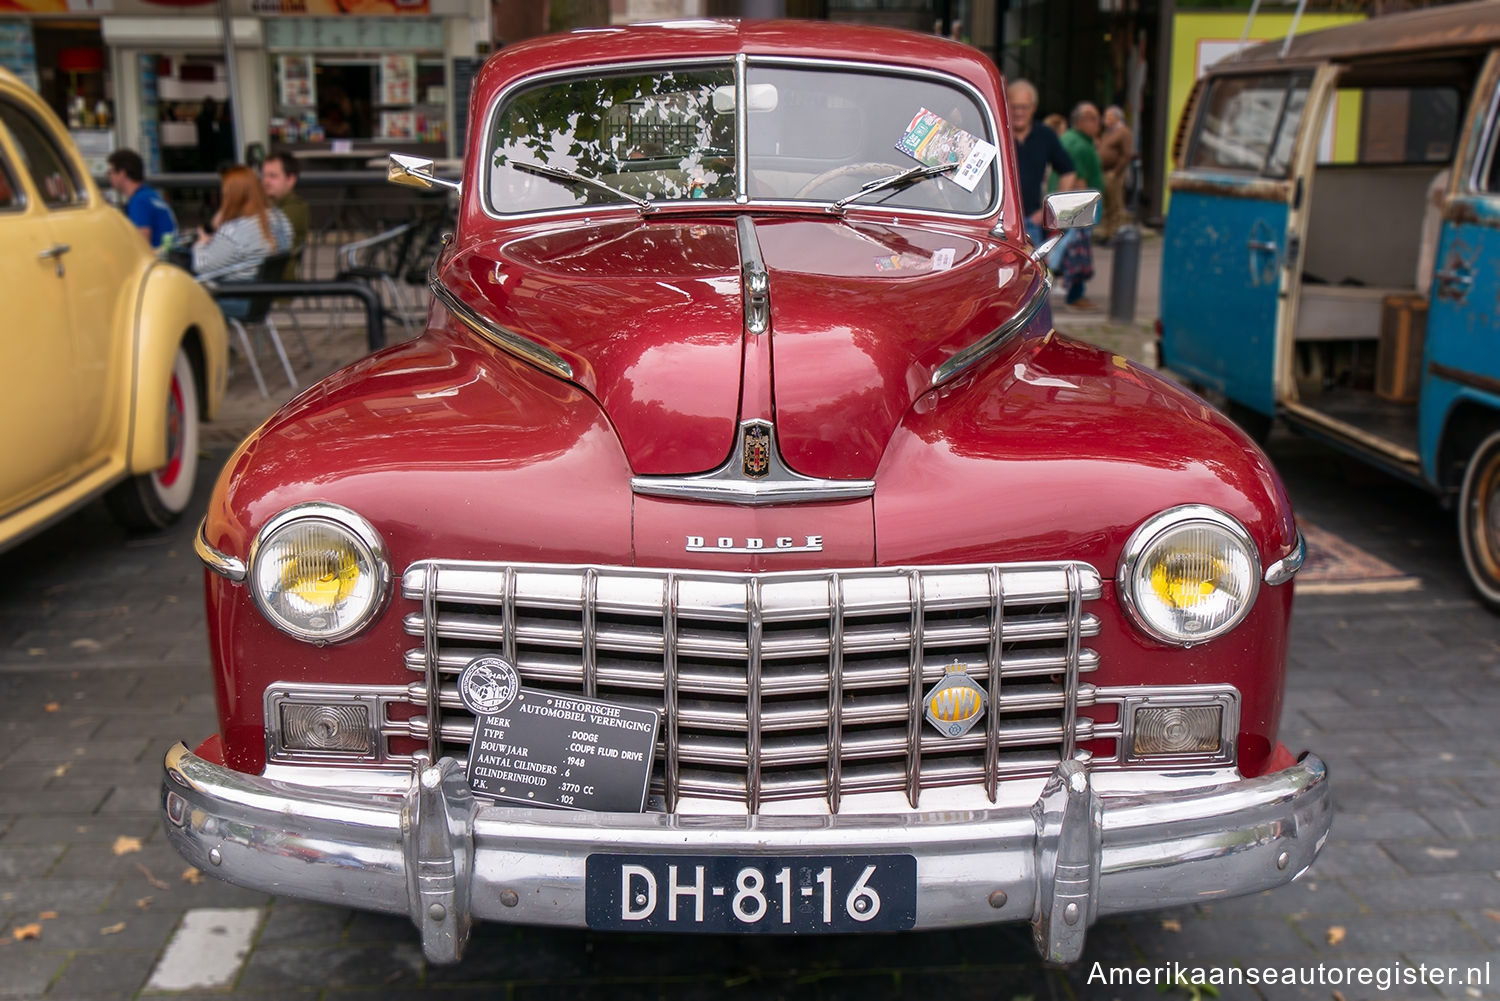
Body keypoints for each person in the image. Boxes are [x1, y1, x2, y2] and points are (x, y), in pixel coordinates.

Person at [192, 165, 293, 317]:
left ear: (231, 196)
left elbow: (201, 266)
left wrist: (200, 243)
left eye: (224, 195)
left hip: (236, 299)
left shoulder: (234, 231)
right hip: (263, 300)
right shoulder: (280, 219)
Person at [1007, 79, 1075, 248]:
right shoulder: (997, 133)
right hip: (1000, 224)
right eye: (1014, 106)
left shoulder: (1045, 135)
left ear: (1033, 108)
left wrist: (1051, 210)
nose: (1019, 112)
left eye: (1024, 107)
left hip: (1032, 223)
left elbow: (1068, 171)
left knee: (1034, 273)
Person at [1052, 102, 1104, 311]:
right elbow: (1079, 179)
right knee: (1077, 250)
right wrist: (1084, 211)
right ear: (1082, 121)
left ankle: (1067, 286)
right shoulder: (1080, 145)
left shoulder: (1070, 138)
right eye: (1094, 119)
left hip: (1064, 204)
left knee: (1070, 248)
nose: (1098, 124)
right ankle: (1075, 294)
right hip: (1080, 205)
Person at [105, 148, 177, 251]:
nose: (109, 176)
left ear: (122, 173)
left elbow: (141, 244)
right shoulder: (151, 195)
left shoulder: (139, 201)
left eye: (110, 172)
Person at [260, 151, 308, 281]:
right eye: (264, 176)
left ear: (291, 180)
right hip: (260, 281)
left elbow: (263, 239)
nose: (266, 181)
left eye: (273, 176)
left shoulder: (295, 208)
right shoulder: (267, 205)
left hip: (275, 285)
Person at [1097, 105, 1134, 241]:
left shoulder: (1123, 132)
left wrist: (1116, 171)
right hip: (1104, 172)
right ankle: (1105, 233)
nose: (1105, 119)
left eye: (1108, 116)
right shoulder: (1108, 132)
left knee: (1115, 204)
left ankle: (1114, 234)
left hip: (1114, 173)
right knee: (1106, 204)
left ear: (1117, 118)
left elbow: (1126, 154)